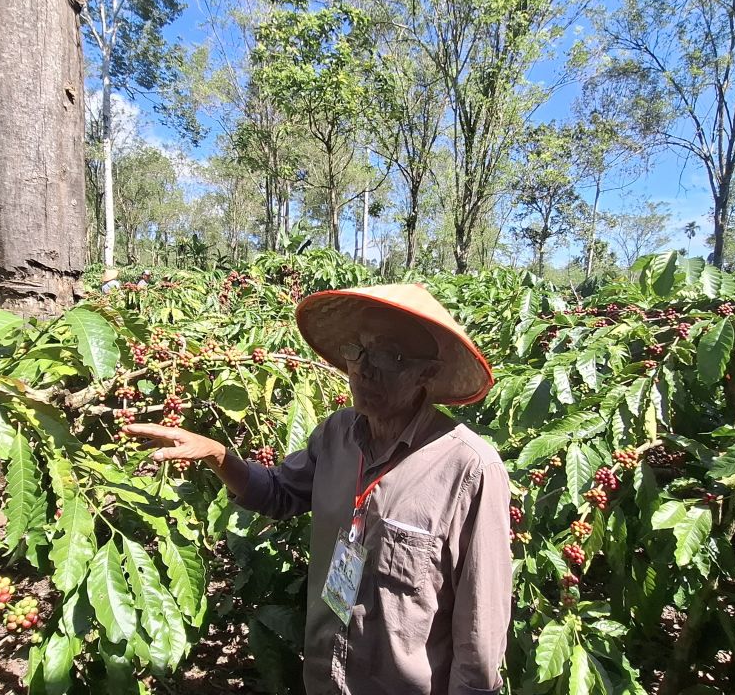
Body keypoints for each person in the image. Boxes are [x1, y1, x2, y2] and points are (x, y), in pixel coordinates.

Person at [127, 283, 512, 695]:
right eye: (358, 350)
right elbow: (279, 492)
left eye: (387, 356)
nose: (363, 369)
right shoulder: (336, 434)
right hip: (325, 681)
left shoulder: (469, 467)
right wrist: (219, 455)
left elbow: (480, 632)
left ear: (427, 372)